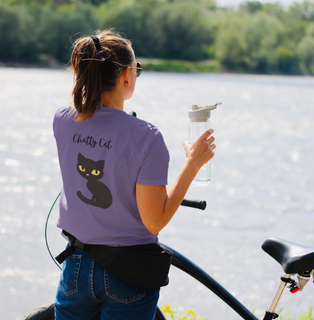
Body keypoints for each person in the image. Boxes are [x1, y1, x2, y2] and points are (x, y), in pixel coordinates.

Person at [53, 28, 216, 320]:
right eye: (137, 70)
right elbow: (154, 220)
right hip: (127, 272)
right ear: (127, 75)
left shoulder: (63, 120)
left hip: (76, 265)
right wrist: (192, 164)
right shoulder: (146, 137)